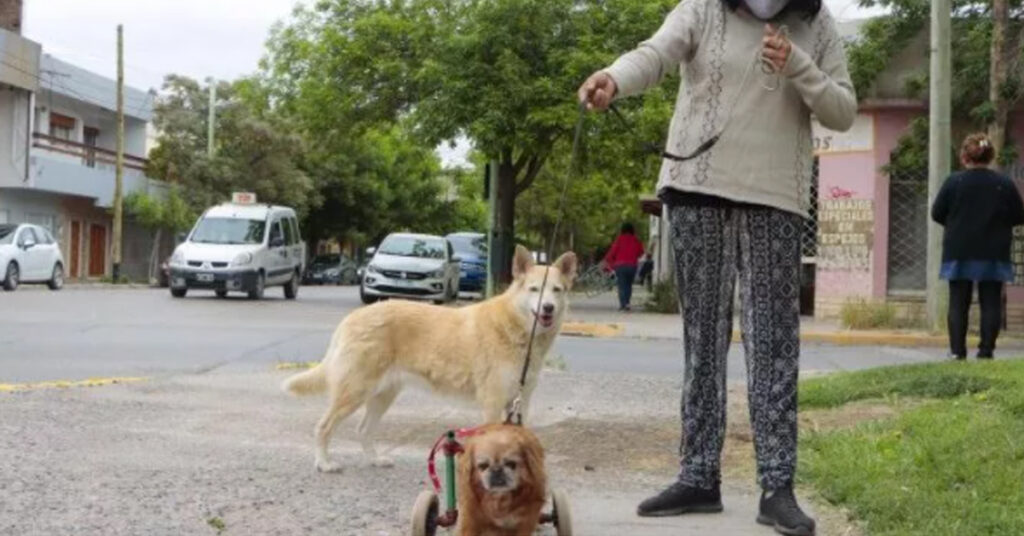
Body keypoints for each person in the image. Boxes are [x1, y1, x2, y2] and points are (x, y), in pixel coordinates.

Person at [578, 0, 855, 534]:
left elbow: (842, 110)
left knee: (773, 343)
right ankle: (698, 476)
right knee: (702, 337)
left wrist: (798, 63)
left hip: (777, 195)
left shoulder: (817, 25)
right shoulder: (702, 9)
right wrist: (613, 78)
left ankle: (777, 487)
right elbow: (655, 54)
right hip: (695, 186)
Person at [931, 133, 1024, 360]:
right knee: (991, 300)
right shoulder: (1003, 183)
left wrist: (956, 225)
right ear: (991, 156)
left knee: (958, 301)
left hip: (958, 249)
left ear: (964, 157)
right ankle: (986, 352)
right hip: (993, 250)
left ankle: (956, 352)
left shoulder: (954, 182)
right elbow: (1019, 215)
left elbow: (937, 213)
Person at [602, 222, 645, 311]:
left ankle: (623, 304)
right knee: (629, 285)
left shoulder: (620, 239)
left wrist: (606, 260)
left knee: (621, 285)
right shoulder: (636, 240)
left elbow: (613, 251)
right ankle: (627, 303)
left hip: (620, 265)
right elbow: (641, 252)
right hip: (632, 266)